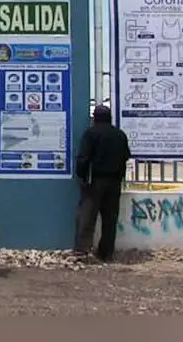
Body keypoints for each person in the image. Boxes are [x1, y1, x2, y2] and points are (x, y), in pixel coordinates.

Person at [74, 105, 132, 263]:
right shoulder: (119, 134)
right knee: (110, 219)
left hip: (95, 180)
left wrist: (81, 175)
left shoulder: (91, 133)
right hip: (114, 182)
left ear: (95, 118)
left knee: (87, 216)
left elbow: (84, 157)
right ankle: (106, 253)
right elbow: (126, 156)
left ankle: (82, 251)